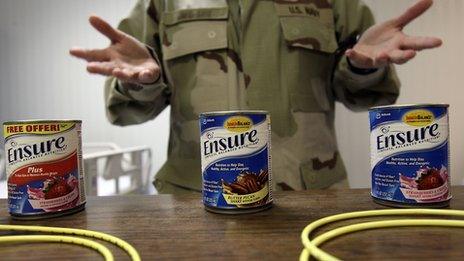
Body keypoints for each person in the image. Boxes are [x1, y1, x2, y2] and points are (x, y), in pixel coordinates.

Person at [70, 0, 442, 194]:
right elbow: (130, 111)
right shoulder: (164, 2)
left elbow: (363, 96)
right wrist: (141, 83)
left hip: (310, 196)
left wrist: (363, 69)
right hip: (196, 195)